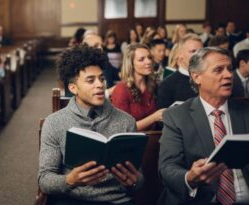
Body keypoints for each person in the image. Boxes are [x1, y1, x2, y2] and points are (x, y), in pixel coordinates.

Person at [38, 45, 143, 205]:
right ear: (73, 88)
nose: (100, 85)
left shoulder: (126, 121)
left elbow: (139, 179)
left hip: (117, 201)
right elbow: (45, 180)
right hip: (71, 200)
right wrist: (70, 180)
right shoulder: (54, 123)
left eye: (102, 78)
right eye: (90, 80)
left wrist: (133, 182)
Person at [158, 47, 249, 205]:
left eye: (229, 69)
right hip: (201, 199)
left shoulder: (245, 111)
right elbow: (167, 167)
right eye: (218, 70)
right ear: (197, 77)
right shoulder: (177, 116)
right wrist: (190, 178)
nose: (228, 75)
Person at [111, 44, 164, 131]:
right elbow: (123, 129)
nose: (148, 62)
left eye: (149, 58)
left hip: (154, 138)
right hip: (132, 141)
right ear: (131, 64)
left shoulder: (152, 85)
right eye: (141, 59)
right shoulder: (121, 90)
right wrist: (154, 118)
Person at [156, 34, 203, 109]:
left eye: (201, 51)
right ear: (180, 54)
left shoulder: (209, 79)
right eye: (193, 51)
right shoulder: (167, 85)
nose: (198, 55)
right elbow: (163, 117)